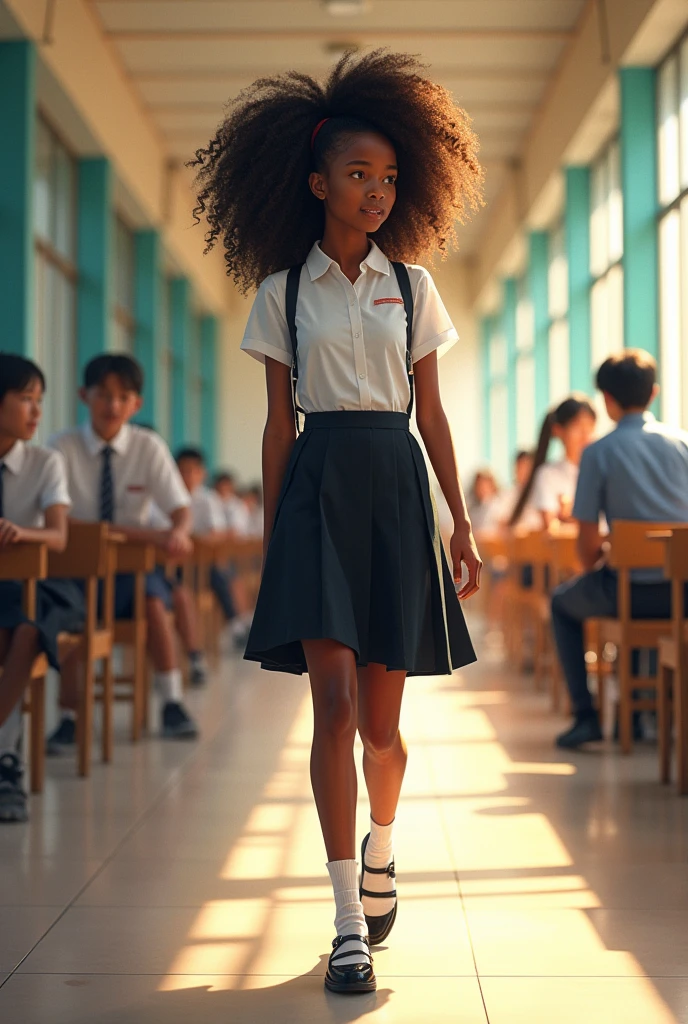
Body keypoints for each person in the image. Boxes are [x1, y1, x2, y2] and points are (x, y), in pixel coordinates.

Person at [190, 50, 482, 994]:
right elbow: (280, 424)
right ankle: (347, 917)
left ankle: (383, 847)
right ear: (317, 182)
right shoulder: (280, 293)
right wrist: (278, 536)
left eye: (390, 178)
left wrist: (462, 523)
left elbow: (431, 416)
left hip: (397, 486)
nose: (377, 192)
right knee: (336, 707)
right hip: (319, 486)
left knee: (386, 729)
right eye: (359, 175)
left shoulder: (416, 285)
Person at [48, 353, 199, 748]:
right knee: (69, 619)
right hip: (74, 573)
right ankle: (68, 718)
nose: (112, 406)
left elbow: (181, 510)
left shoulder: (148, 447)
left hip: (131, 576)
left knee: (154, 602)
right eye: (103, 395)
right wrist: (145, 535)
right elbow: (57, 521)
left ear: (137, 404)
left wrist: (179, 532)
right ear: (84, 396)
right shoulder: (60, 448)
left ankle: (172, 703)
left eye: (123, 396)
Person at [551, 350, 688, 749]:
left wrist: (609, 553)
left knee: (562, 603)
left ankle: (586, 716)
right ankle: (648, 710)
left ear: (607, 401)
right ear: (655, 393)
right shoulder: (683, 444)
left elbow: (587, 549)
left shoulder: (598, 453)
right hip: (683, 593)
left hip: (629, 591)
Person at [0, 354, 84, 823]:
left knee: (27, 628)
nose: (36, 412)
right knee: (12, 631)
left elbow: (58, 536)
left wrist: (18, 533)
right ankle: (6, 759)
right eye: (25, 399)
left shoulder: (45, 460)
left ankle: (5, 757)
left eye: (40, 401)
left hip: (44, 586)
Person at [176, 448, 254, 646]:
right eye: (182, 470)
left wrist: (193, 540)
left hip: (200, 566)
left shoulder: (208, 499)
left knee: (219, 571)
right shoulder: (170, 496)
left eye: (192, 470)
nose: (188, 476)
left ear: (203, 473)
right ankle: (237, 623)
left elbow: (217, 533)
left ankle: (237, 624)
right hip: (173, 563)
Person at [509, 395, 597, 530]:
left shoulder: (600, 470)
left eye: (590, 426)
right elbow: (551, 528)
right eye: (578, 426)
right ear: (558, 430)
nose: (586, 434)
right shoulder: (548, 475)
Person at [213, 471, 251, 536]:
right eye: (222, 485)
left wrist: (218, 533)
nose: (223, 488)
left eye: (226, 485)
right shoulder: (212, 500)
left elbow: (235, 530)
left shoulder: (238, 505)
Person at [466, 469, 502, 533]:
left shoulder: (498, 506)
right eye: (480, 485)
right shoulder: (472, 507)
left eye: (486, 485)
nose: (483, 489)